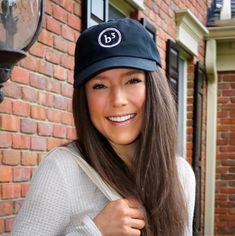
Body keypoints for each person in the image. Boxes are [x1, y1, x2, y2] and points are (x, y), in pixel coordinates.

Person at [12, 18, 195, 236]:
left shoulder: (180, 175)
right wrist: (94, 231)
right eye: (99, 85)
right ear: (84, 99)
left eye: (132, 81)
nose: (118, 100)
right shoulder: (62, 169)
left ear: (155, 88)